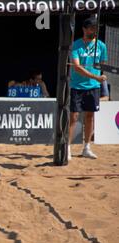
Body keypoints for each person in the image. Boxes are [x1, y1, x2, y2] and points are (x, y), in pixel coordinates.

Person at [68, 16, 108, 160]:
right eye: (91, 27)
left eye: (96, 28)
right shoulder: (76, 45)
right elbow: (77, 67)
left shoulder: (101, 45)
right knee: (74, 117)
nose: (94, 30)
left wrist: (100, 76)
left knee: (90, 116)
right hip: (77, 86)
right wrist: (96, 77)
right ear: (84, 29)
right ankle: (67, 148)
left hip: (93, 86)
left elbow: (101, 65)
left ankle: (86, 147)